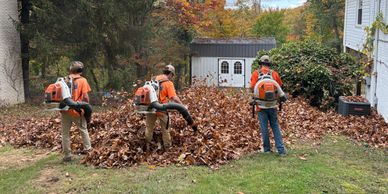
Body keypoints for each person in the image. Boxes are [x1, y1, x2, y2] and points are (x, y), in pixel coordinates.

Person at [250, 55, 287, 156]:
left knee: (264, 127)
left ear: (260, 63)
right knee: (275, 126)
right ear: (269, 64)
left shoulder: (256, 73)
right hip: (273, 105)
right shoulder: (274, 74)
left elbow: (253, 88)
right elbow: (280, 86)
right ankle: (281, 149)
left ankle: (267, 149)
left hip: (260, 105)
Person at [145, 64, 186, 150]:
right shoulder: (168, 83)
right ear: (171, 74)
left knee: (149, 128)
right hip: (162, 109)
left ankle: (147, 147)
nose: (172, 77)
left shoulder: (154, 79)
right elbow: (174, 97)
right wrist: (182, 105)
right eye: (172, 75)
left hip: (151, 107)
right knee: (165, 129)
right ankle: (168, 149)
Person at [61, 61, 92, 162]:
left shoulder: (64, 80)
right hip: (77, 110)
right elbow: (86, 97)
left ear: (71, 70)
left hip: (65, 110)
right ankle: (88, 151)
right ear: (80, 70)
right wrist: (86, 107)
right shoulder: (83, 80)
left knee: (65, 133)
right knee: (83, 130)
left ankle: (67, 155)